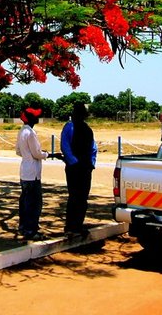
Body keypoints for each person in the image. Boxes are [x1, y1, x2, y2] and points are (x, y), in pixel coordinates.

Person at [60, 101, 97, 236]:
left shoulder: (87, 129)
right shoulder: (69, 127)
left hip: (84, 167)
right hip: (75, 168)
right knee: (75, 196)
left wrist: (90, 164)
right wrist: (74, 162)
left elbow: (93, 148)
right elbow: (65, 147)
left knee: (82, 197)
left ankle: (78, 225)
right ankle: (71, 226)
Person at [15, 106, 49, 241]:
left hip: (24, 171)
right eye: (35, 116)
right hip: (33, 173)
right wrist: (47, 154)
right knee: (34, 203)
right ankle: (31, 230)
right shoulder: (30, 133)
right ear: (30, 118)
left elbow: (18, 151)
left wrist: (27, 155)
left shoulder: (21, 131)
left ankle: (23, 227)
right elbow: (37, 153)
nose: (37, 118)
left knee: (24, 201)